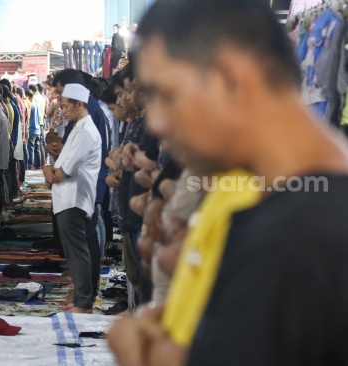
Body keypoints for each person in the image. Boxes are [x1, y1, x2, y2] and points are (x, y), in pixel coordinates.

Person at [108, 0, 348, 365]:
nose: (155, 121)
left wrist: (144, 353)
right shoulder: (252, 194)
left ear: (229, 79)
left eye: (166, 95)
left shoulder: (299, 235)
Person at [43, 83, 101, 314]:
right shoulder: (79, 128)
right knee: (75, 252)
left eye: (66, 106)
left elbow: (62, 173)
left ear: (80, 104)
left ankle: (83, 302)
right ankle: (80, 297)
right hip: (67, 198)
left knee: (78, 252)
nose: (63, 110)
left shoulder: (86, 131)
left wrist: (48, 171)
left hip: (74, 198)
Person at [26, 90, 42, 170]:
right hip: (37, 129)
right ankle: (38, 165)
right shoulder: (37, 105)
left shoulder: (30, 105)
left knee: (31, 149)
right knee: (37, 148)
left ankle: (30, 165)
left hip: (31, 130)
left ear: (28, 96)